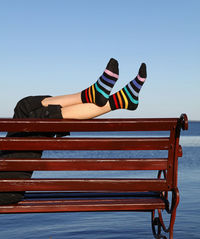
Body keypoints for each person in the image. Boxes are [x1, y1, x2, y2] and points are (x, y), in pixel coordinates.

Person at [0, 59, 147, 205]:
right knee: (37, 118)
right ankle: (117, 100)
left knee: (24, 106)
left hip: (6, 180)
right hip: (6, 189)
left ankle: (93, 94)